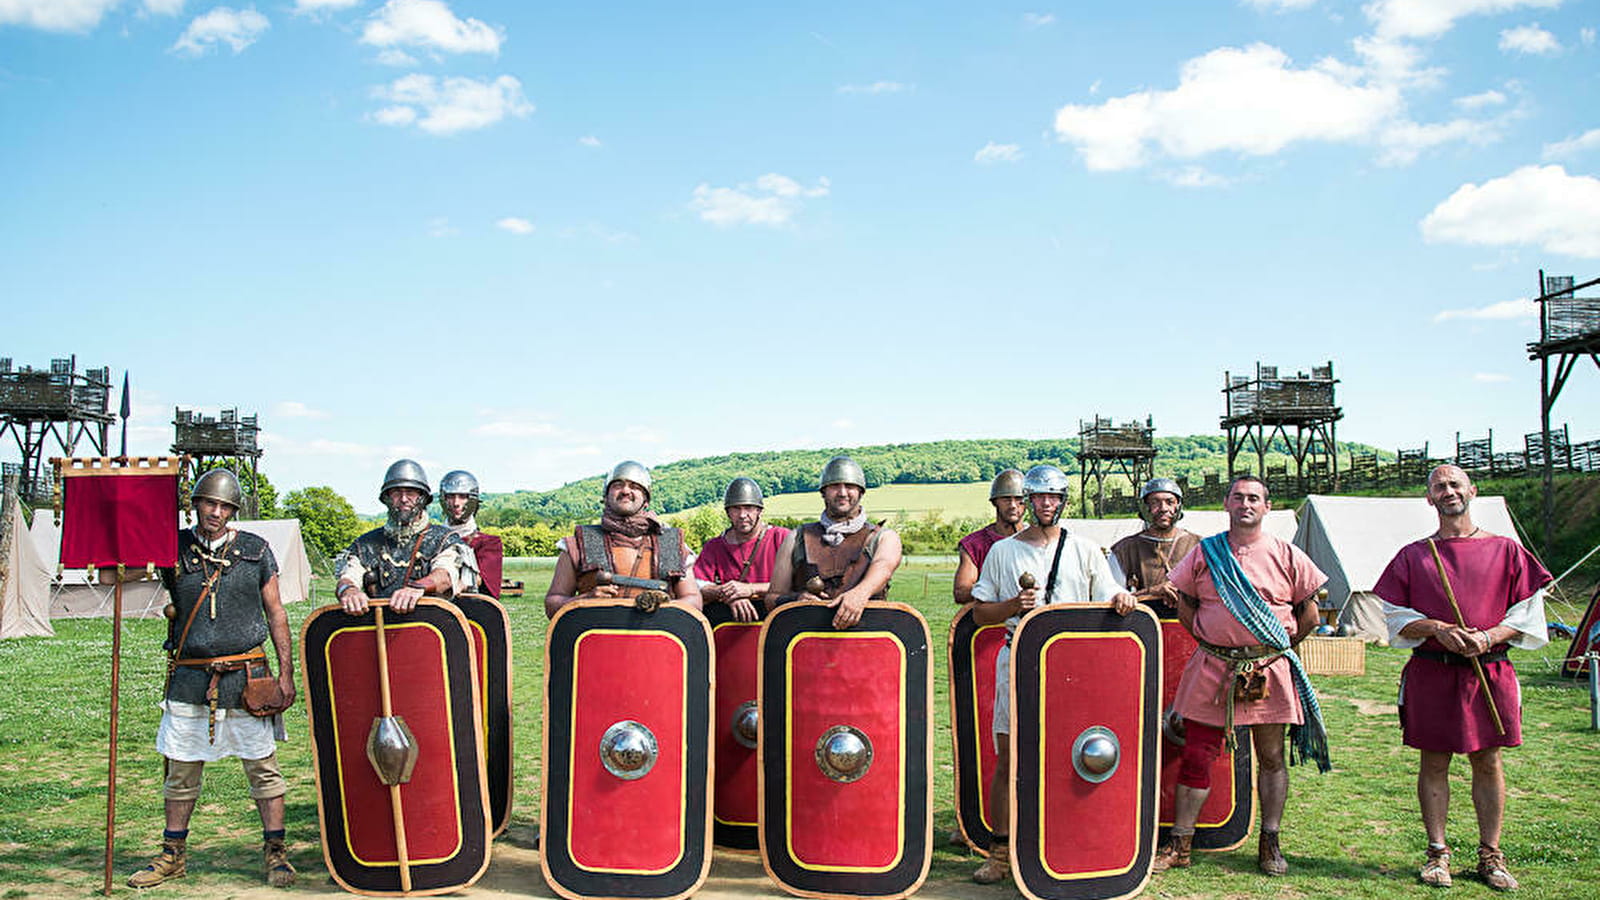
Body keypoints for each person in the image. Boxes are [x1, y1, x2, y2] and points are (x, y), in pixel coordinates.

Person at [1373, 464, 1551, 891]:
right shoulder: (1414, 555)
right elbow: (1396, 617)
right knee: (1433, 761)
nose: (1448, 491)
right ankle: (1437, 854)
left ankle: (1491, 854)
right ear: (1429, 499)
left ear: (1472, 490)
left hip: (1489, 671)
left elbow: (1527, 614)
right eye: (1439, 487)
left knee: (1488, 761)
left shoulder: (1506, 550)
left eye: (1455, 484)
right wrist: (1438, 629)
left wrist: (1488, 636)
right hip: (1433, 672)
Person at [126, 469, 298, 889]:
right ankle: (173, 854)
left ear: (232, 510)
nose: (215, 513)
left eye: (223, 507)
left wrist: (287, 673)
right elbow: (125, 572)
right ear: (196, 505)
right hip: (190, 677)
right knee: (181, 771)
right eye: (209, 504)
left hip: (247, 677)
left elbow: (276, 612)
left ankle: (276, 852)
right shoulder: (173, 548)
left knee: (263, 768)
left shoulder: (256, 550)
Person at [1152, 474, 1330, 877]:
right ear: (1227, 505)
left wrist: (1274, 650)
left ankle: (1270, 842)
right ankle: (1180, 844)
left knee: (1271, 757)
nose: (1246, 504)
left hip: (1269, 668)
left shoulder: (1288, 554)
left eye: (1254, 498)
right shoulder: (1206, 553)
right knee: (1197, 754)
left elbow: (1310, 615)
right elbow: (1186, 604)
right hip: (1213, 667)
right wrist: (1213, 640)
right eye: (1238, 497)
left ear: (1266, 507)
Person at [968, 464, 1136, 885]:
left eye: (1053, 497)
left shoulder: (1085, 548)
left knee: (1070, 756)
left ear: (1063, 501)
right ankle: (1000, 852)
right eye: (1039, 497)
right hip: (1017, 662)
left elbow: (1107, 592)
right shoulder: (1003, 552)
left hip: (1072, 671)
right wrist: (1013, 606)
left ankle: (1065, 842)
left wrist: (1121, 599)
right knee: (1009, 757)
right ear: (1027, 500)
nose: (1046, 504)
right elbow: (978, 612)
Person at [545, 460, 701, 616]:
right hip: (599, 634)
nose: (626, 490)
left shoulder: (670, 544)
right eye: (618, 485)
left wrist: (665, 607)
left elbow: (693, 600)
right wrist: (586, 600)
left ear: (646, 500)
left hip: (657, 637)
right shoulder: (579, 544)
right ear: (605, 497)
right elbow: (552, 604)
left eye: (635, 486)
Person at [765, 455, 903, 630]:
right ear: (824, 491)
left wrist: (860, 594)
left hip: (866, 641)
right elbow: (772, 599)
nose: (843, 493)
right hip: (808, 640)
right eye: (835, 486)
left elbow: (884, 566)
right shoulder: (795, 538)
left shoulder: (883, 537)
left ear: (861, 491)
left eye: (850, 486)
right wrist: (796, 600)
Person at [335, 460, 470, 615]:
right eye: (396, 493)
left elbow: (445, 575)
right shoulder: (365, 544)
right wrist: (349, 591)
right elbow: (348, 576)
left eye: (410, 492)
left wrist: (419, 588)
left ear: (422, 498)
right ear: (387, 498)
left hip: (431, 627)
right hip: (379, 628)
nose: (404, 499)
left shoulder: (444, 540)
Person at [695, 477, 791, 621]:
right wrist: (729, 594)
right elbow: (697, 586)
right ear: (728, 512)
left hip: (778, 624)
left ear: (759, 510)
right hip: (730, 629)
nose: (742, 515)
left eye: (748, 508)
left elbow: (797, 584)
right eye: (736, 508)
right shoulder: (714, 547)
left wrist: (751, 589)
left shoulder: (782, 538)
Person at [1108, 477, 1200, 608]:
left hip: (1189, 625)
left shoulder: (1199, 546)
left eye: (1170, 502)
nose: (1163, 508)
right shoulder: (1124, 550)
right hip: (1141, 625)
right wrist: (1151, 592)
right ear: (1145, 507)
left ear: (1178, 506)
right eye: (1155, 502)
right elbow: (1113, 598)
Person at [952, 468, 1026, 604]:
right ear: (994, 501)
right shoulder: (975, 544)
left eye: (1019, 499)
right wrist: (1004, 592)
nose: (1013, 505)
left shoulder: (1037, 539)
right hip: (988, 620)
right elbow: (961, 592)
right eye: (1006, 499)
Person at [440, 469, 502, 598]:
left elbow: (485, 583)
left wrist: (457, 586)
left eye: (462, 496)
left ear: (472, 500)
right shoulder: (431, 538)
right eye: (451, 496)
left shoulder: (489, 543)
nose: (456, 503)